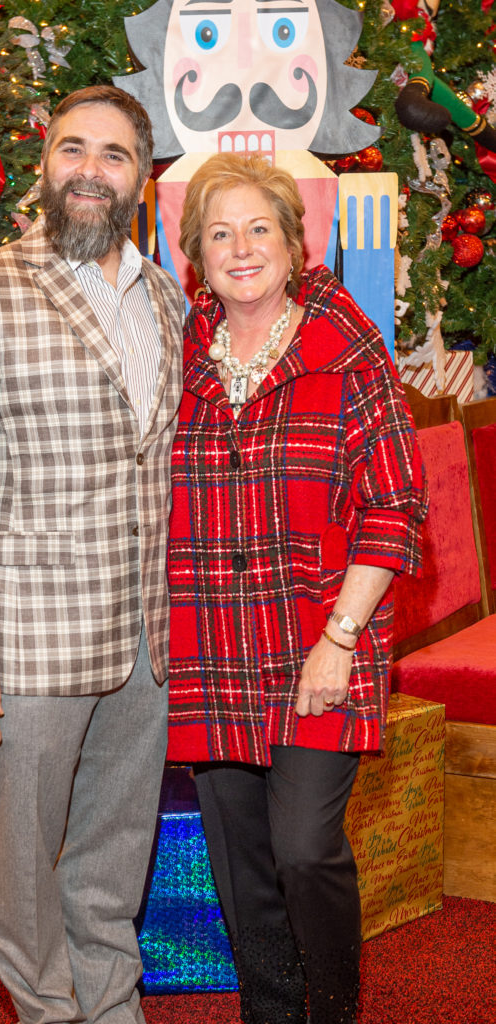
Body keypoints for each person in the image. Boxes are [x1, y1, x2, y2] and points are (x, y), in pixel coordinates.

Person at [0, 85, 184, 1024]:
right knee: (26, 869)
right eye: (74, 149)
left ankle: (111, 1005)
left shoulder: (169, 298)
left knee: (114, 852)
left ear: (141, 178)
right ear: (45, 164)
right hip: (26, 644)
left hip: (145, 638)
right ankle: (45, 1011)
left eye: (113, 155)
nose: (90, 171)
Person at [167, 152, 428, 1024]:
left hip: (322, 635)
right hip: (208, 641)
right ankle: (271, 1013)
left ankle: (333, 1011)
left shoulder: (345, 347)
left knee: (305, 847)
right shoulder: (174, 356)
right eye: (219, 233)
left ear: (292, 240)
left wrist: (341, 639)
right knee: (240, 860)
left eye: (258, 228)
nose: (241, 248)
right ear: (196, 255)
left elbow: (396, 504)